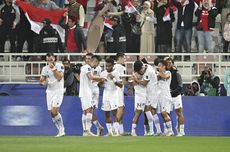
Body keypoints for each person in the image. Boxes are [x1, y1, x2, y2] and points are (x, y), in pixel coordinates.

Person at [132, 60, 162, 136]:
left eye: (139, 71)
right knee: (152, 112)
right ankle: (158, 130)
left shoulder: (149, 71)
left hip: (152, 93)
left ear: (142, 68)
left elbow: (144, 83)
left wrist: (136, 80)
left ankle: (151, 131)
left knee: (147, 110)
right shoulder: (145, 66)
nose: (140, 73)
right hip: (149, 93)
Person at [39, 53, 65, 137]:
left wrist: (53, 69)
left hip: (58, 91)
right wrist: (43, 82)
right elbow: (41, 81)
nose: (49, 61)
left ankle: (62, 129)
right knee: (52, 113)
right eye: (48, 60)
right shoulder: (44, 68)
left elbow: (59, 77)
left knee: (54, 111)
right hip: (49, 92)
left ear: (54, 58)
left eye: (51, 59)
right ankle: (59, 130)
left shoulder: (60, 66)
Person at [79, 55, 106, 136]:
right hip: (85, 92)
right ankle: (87, 131)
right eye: (97, 63)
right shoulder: (86, 67)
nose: (97, 65)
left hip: (86, 92)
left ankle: (85, 131)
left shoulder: (88, 68)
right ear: (94, 61)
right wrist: (101, 78)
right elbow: (91, 77)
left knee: (85, 111)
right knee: (89, 110)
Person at [99, 58, 123, 136]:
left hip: (114, 94)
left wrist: (113, 79)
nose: (108, 67)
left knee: (115, 113)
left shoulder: (116, 73)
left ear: (113, 65)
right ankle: (110, 132)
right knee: (107, 113)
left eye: (109, 66)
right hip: (106, 94)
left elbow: (121, 85)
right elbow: (99, 85)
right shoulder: (103, 73)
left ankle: (116, 131)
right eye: (107, 66)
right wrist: (101, 82)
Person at [165, 57, 185, 136]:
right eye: (167, 63)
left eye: (170, 62)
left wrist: (172, 92)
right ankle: (169, 131)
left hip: (176, 96)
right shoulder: (164, 74)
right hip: (168, 97)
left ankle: (182, 131)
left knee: (179, 113)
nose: (169, 64)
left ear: (173, 64)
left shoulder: (177, 73)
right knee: (166, 113)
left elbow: (180, 86)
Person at [157, 60, 174, 136]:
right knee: (163, 114)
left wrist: (158, 73)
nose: (158, 67)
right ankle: (167, 131)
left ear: (164, 67)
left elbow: (165, 77)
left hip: (165, 96)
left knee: (164, 113)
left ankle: (170, 131)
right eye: (158, 66)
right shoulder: (158, 74)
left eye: (160, 66)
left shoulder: (168, 73)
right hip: (160, 96)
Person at [130, 71, 147, 136]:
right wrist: (135, 78)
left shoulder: (145, 74)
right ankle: (133, 131)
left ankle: (146, 131)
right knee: (138, 113)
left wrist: (136, 79)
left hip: (146, 96)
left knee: (146, 114)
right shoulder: (134, 74)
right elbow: (134, 83)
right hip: (139, 97)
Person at [113, 52, 127, 135]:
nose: (125, 60)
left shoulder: (114, 67)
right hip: (118, 91)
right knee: (120, 110)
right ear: (119, 58)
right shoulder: (121, 67)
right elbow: (124, 81)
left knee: (120, 111)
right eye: (124, 58)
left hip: (116, 91)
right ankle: (115, 130)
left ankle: (120, 131)